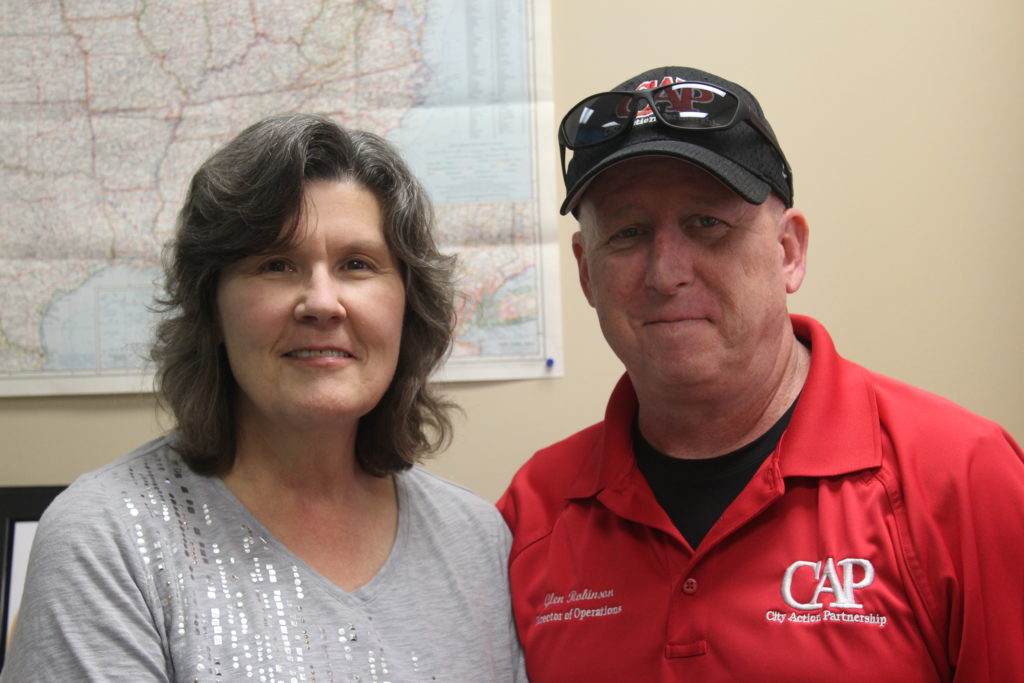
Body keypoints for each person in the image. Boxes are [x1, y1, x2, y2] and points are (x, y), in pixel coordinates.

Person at [498, 66, 1024, 682]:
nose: (666, 273)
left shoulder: (962, 478)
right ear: (588, 275)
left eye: (706, 224)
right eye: (629, 233)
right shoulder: (534, 511)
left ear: (788, 252)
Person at [2, 114, 526, 682]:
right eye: (277, 264)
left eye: (357, 264)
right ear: (214, 310)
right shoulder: (107, 539)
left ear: (408, 304)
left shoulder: (477, 538)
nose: (322, 303)